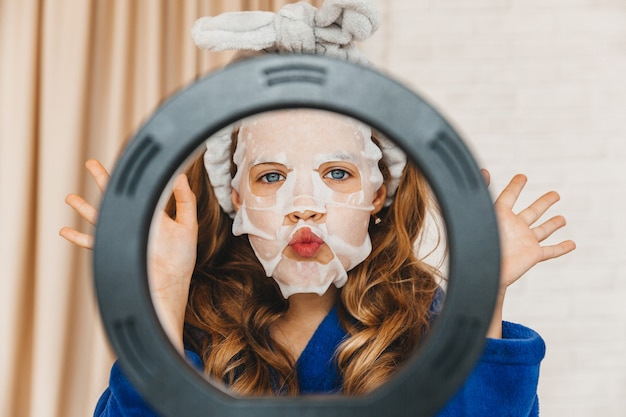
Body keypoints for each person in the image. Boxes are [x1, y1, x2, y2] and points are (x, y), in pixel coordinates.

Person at [59, 1, 576, 416]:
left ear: (378, 193)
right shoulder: (196, 328)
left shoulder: (430, 326)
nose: (303, 208)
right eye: (271, 177)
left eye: (336, 173)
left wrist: (486, 291)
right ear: (235, 199)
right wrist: (163, 294)